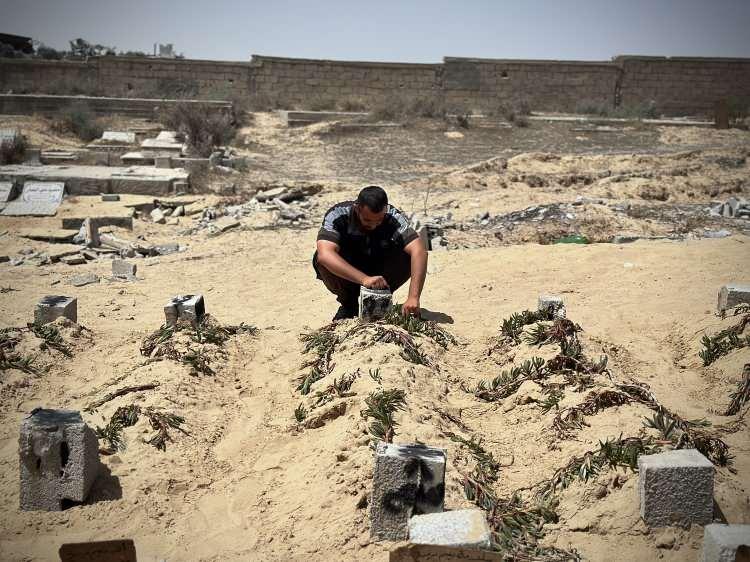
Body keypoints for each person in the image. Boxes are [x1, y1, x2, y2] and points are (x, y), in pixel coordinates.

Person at [313, 185, 428, 321]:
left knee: (411, 253)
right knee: (320, 259)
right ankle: (349, 305)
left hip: (380, 271)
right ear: (357, 208)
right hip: (349, 271)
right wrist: (364, 279)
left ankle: (380, 300)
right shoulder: (338, 214)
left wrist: (413, 297)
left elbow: (419, 250)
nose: (373, 225)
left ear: (385, 211)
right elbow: (325, 255)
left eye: (379, 221)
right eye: (367, 220)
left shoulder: (393, 215)